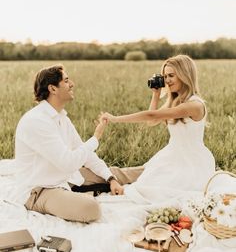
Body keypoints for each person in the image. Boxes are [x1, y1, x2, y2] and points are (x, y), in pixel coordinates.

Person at [14, 64, 125, 223]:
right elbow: (68, 163)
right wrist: (95, 138)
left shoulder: (62, 118)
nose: (72, 84)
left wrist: (111, 179)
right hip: (41, 190)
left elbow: (85, 155)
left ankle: (156, 171)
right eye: (66, 81)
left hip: (65, 177)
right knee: (90, 208)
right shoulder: (37, 121)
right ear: (53, 88)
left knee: (115, 173)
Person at [100, 54, 216, 203]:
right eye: (165, 76)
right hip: (172, 156)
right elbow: (152, 122)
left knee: (155, 193)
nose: (167, 80)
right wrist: (156, 95)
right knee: (146, 187)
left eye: (171, 75)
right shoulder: (174, 102)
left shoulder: (194, 105)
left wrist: (116, 119)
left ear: (185, 75)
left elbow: (150, 115)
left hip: (191, 161)